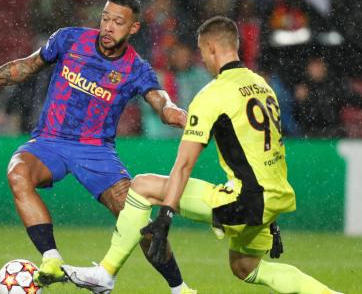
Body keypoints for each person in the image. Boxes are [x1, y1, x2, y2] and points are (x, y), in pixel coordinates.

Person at [63, 16, 341, 294]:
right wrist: (270, 217)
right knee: (245, 266)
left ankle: (105, 273)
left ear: (210, 48)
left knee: (142, 186)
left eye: (202, 53)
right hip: (274, 195)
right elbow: (269, 153)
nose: (203, 62)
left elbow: (184, 165)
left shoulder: (212, 95)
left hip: (246, 200)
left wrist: (165, 217)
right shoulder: (261, 86)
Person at [0, 0, 195, 294]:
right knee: (18, 172)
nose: (108, 26)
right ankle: (51, 260)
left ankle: (180, 288)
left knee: (138, 220)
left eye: (118, 22)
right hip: (49, 141)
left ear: (133, 28)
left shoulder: (136, 68)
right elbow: (26, 66)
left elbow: (158, 97)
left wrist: (170, 109)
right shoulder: (70, 39)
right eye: (105, 18)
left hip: (96, 151)